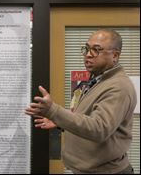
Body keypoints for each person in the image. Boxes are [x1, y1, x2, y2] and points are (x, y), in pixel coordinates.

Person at [25, 29, 136, 174]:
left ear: (115, 55)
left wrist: (54, 111)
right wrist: (60, 121)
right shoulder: (97, 79)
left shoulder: (118, 87)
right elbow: (87, 116)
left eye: (96, 50)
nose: (88, 55)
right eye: (87, 48)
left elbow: (99, 128)